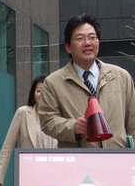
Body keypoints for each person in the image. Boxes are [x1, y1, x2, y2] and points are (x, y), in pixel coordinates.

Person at [39, 13, 135, 147]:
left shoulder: (121, 77)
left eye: (92, 38)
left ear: (98, 42)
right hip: (78, 163)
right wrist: (73, 127)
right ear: (68, 47)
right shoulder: (53, 82)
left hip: (116, 161)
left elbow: (133, 122)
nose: (87, 43)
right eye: (80, 38)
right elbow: (47, 121)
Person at [0, 75, 57, 186]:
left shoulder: (57, 115)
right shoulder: (23, 113)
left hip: (53, 172)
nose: (42, 95)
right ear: (33, 93)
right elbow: (8, 145)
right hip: (30, 172)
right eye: (39, 91)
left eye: (46, 91)